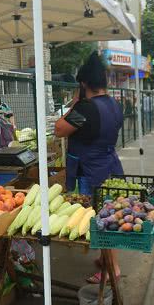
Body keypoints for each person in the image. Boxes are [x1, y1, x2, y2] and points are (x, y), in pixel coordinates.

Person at [54, 52, 124, 284]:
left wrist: (75, 102)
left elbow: (59, 129)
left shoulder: (85, 109)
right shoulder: (114, 104)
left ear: (84, 84)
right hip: (111, 165)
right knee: (108, 213)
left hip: (90, 171)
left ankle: (112, 268)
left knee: (99, 218)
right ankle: (106, 260)